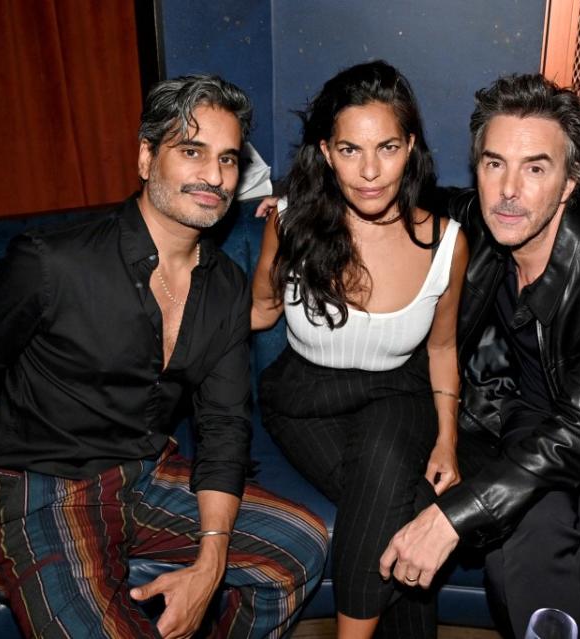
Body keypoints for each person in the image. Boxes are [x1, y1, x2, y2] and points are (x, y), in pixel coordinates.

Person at [0, 74, 328, 639]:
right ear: (146, 157)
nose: (214, 177)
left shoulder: (223, 286)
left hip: (146, 472)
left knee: (301, 546)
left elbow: (223, 428)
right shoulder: (53, 263)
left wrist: (210, 560)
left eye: (227, 159)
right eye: (191, 151)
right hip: (34, 488)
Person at [380, 74, 580, 638]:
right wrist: (302, 197)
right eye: (494, 163)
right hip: (522, 421)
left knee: (515, 559)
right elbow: (401, 192)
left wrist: (454, 517)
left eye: (535, 168)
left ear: (570, 182)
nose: (508, 190)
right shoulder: (481, 219)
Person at [251, 61, 469, 638]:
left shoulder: (446, 242)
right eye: (350, 150)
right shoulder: (290, 223)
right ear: (325, 151)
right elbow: (259, 311)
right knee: (407, 504)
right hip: (303, 398)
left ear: (411, 146)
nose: (370, 172)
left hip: (400, 391)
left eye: (388, 147)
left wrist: (447, 438)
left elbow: (443, 348)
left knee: (387, 447)